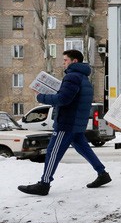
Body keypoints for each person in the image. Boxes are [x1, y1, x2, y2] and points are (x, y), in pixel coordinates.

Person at [17, 50, 112, 196]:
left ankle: (44, 183)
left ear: (74, 61)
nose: (63, 63)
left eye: (65, 60)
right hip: (77, 122)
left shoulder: (72, 77)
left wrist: (41, 97)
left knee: (52, 152)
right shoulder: (84, 78)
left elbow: (63, 99)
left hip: (67, 122)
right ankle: (102, 173)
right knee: (84, 149)